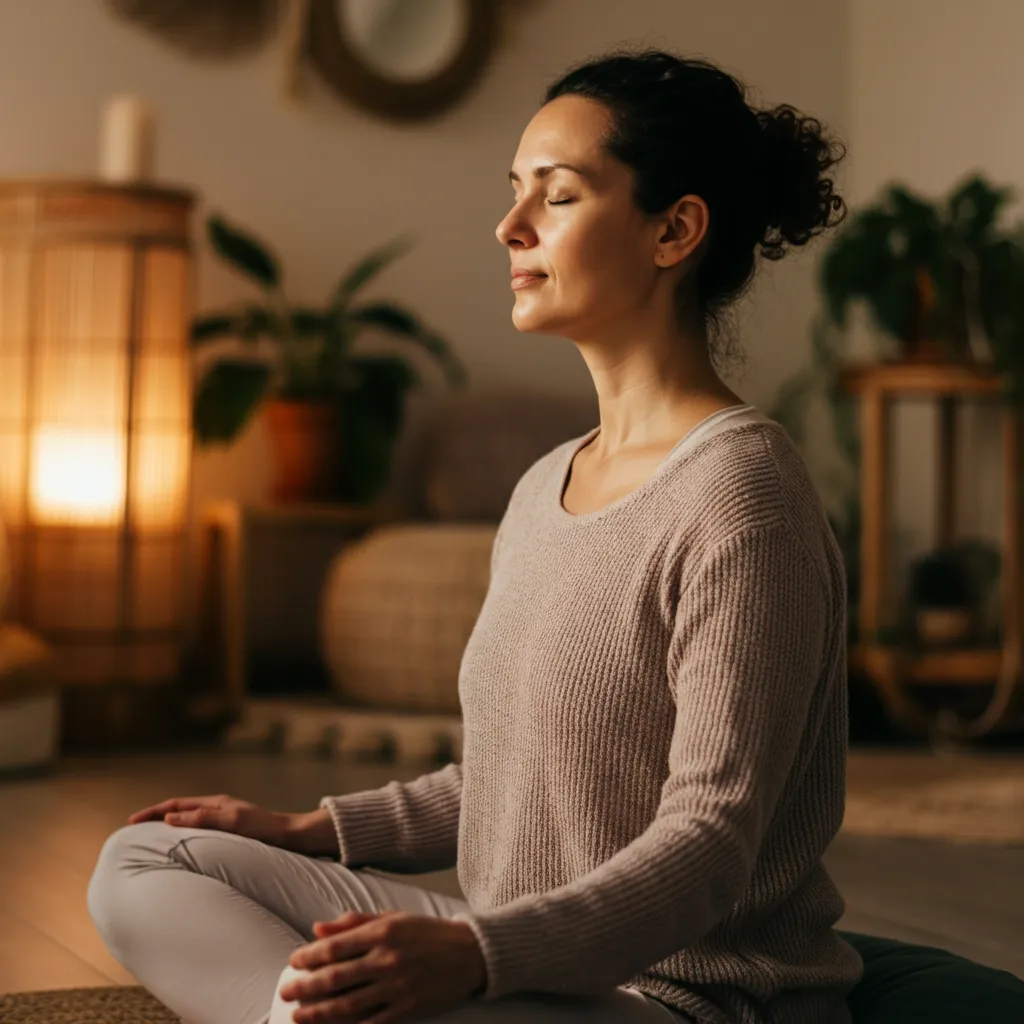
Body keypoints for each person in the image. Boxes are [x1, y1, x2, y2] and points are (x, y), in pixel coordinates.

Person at [88, 48, 859, 1024]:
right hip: (522, 963)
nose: (510, 226)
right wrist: (309, 828)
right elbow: (513, 770)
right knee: (148, 859)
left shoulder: (744, 496)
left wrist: (476, 952)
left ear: (674, 229)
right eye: (513, 192)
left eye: (560, 195)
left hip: (679, 998)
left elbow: (712, 841)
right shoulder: (544, 485)